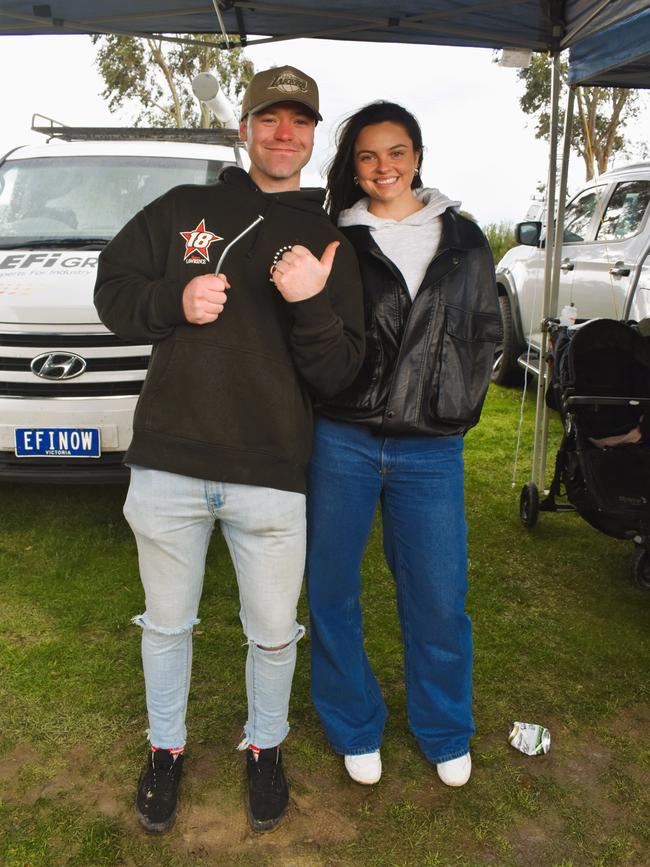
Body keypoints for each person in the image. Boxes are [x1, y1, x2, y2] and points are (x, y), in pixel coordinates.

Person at [94, 65, 364, 834]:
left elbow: (342, 371)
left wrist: (311, 301)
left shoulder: (327, 237)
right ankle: (166, 748)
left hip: (272, 469)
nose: (285, 134)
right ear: (244, 129)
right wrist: (170, 301)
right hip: (170, 460)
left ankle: (265, 745)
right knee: (167, 624)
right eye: (270, 119)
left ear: (314, 135)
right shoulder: (186, 208)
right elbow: (112, 287)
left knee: (275, 629)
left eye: (300, 122)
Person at [306, 102, 500, 788]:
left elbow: (485, 335)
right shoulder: (337, 239)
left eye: (396, 151)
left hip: (429, 449)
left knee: (439, 594)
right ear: (353, 166)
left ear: (417, 155)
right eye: (367, 155)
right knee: (332, 586)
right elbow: (317, 337)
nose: (382, 167)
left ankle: (445, 728)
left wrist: (452, 409)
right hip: (344, 439)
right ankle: (354, 721)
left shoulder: (465, 239)